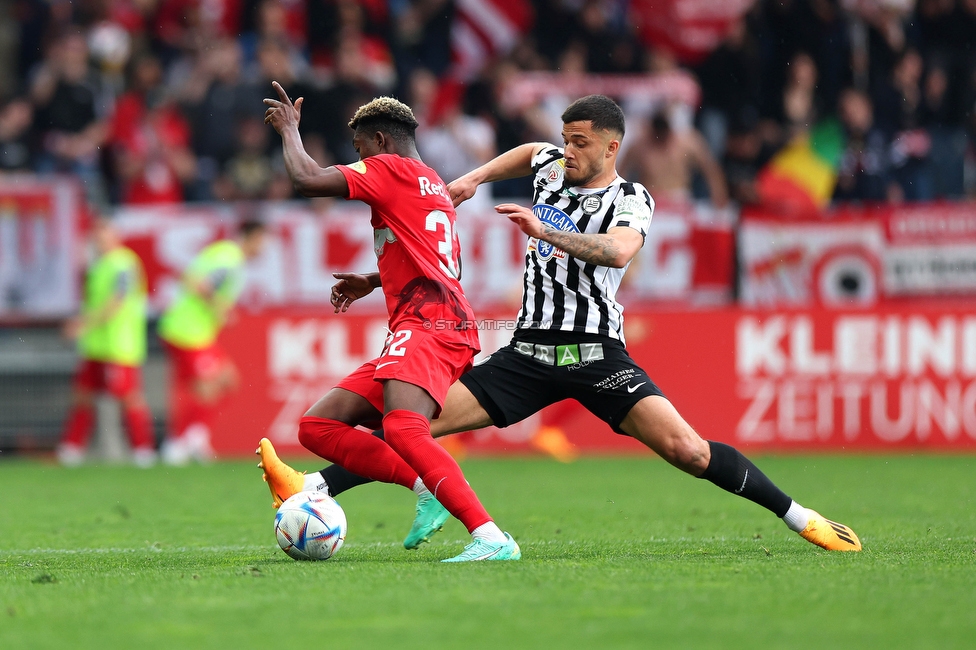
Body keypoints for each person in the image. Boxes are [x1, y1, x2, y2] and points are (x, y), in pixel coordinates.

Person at [258, 94, 862, 553]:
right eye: (565, 140)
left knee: (689, 450)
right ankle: (316, 490)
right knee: (406, 424)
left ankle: (799, 517)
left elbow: (619, 252)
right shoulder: (551, 166)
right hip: (527, 356)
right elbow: (528, 154)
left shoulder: (631, 198)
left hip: (597, 354)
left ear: (610, 149)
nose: (565, 152)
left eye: (579, 143)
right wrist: (473, 179)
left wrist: (546, 232)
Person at [259, 82, 520, 563]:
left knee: (403, 428)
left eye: (358, 148)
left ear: (379, 141)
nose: (356, 158)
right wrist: (375, 279)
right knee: (318, 425)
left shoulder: (389, 169)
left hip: (429, 324)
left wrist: (290, 133)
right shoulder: (433, 183)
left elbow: (308, 180)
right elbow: (434, 263)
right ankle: (426, 486)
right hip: (434, 321)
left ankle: (491, 537)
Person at [157, 220, 267, 465]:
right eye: (263, 240)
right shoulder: (229, 260)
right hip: (188, 331)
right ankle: (177, 444)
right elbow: (197, 283)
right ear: (252, 237)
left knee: (226, 380)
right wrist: (221, 308)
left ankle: (195, 436)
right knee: (208, 387)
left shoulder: (223, 253)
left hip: (195, 331)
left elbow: (193, 277)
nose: (265, 247)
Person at [56, 218, 156, 467]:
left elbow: (117, 301)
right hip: (95, 346)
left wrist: (83, 323)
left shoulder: (123, 263)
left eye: (104, 234)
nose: (100, 240)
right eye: (96, 235)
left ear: (115, 235)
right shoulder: (99, 265)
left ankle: (143, 451)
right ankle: (71, 450)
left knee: (129, 398)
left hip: (118, 345)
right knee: (83, 395)